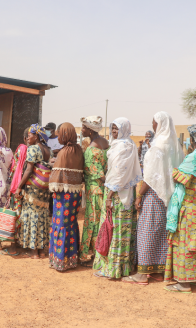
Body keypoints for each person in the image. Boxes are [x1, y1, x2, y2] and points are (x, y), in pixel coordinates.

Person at [123, 111, 184, 285]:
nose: (152, 125)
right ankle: (158, 270)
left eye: (154, 122)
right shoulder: (173, 146)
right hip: (169, 197)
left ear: (160, 124)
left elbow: (150, 178)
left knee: (146, 232)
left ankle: (142, 274)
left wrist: (140, 195)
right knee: (161, 232)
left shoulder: (157, 147)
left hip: (153, 195)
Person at [93, 118, 142, 278]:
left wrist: (109, 196)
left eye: (117, 128)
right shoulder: (124, 145)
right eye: (113, 128)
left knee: (114, 230)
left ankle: (112, 269)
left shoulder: (124, 146)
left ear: (124, 129)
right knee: (119, 230)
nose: (114, 131)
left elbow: (119, 175)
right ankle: (123, 267)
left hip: (117, 196)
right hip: (124, 193)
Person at [164, 124, 196, 293]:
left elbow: (179, 178)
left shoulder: (193, 157)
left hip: (189, 208)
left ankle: (184, 283)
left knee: (184, 244)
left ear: (192, 139)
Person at [49, 122, 84, 271]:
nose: (57, 136)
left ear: (65, 134)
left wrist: (53, 165)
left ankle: (60, 260)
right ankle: (71, 258)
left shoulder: (64, 152)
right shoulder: (77, 149)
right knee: (70, 224)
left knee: (60, 224)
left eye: (59, 134)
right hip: (75, 194)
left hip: (63, 196)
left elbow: (57, 176)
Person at [15, 124, 52, 259]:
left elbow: (29, 170)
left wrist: (19, 186)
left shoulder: (33, 149)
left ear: (36, 136)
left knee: (31, 217)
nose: (28, 138)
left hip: (33, 189)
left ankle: (33, 251)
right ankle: (42, 250)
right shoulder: (48, 150)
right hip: (44, 190)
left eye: (30, 135)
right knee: (42, 217)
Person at [79, 115, 109, 266]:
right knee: (100, 221)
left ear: (90, 130)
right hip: (103, 190)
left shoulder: (91, 149)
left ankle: (91, 255)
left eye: (84, 127)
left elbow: (99, 174)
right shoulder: (105, 142)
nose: (82, 130)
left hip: (95, 190)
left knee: (93, 222)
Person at [0, 127, 29, 255]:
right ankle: (20, 244)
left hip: (17, 188)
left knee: (14, 216)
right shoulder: (33, 151)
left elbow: (17, 170)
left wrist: (13, 188)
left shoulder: (22, 149)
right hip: (27, 188)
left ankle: (13, 248)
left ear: (25, 138)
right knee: (21, 216)